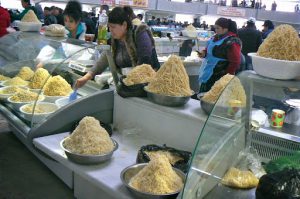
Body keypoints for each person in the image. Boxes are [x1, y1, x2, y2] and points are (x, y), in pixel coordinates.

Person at [75, 6, 160, 88]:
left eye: (113, 27)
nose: (110, 30)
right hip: (128, 82)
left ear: (124, 25)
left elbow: (144, 60)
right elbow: (104, 60)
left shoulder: (140, 33)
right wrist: (86, 78)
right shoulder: (115, 40)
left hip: (147, 83)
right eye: (109, 27)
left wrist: (130, 81)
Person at [198, 17, 242, 93]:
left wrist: (227, 77)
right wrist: (204, 53)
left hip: (219, 75)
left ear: (225, 29)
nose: (216, 30)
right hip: (208, 71)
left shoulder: (232, 41)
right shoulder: (215, 37)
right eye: (215, 28)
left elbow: (235, 61)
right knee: (203, 94)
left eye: (218, 28)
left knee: (213, 97)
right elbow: (209, 49)